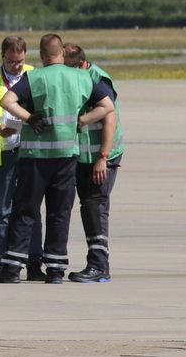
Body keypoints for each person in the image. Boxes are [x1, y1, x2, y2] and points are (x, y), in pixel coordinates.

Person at [0, 34, 114, 284]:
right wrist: (82, 120)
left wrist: (29, 118)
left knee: (25, 210)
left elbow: (7, 101)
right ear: (61, 53)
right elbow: (107, 106)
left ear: (42, 55)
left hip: (35, 156)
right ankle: (56, 269)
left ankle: (13, 267)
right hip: (67, 156)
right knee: (60, 212)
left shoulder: (34, 77)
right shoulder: (81, 77)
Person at [0, 36, 45, 280]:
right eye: (12, 62)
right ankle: (5, 263)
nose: (17, 66)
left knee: (31, 209)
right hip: (1, 152)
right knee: (4, 210)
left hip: (29, 152)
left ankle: (35, 262)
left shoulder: (34, 75)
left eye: (21, 61)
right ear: (3, 56)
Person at [64, 42, 122, 283]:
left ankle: (99, 265)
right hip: (84, 155)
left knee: (95, 206)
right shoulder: (78, 77)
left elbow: (109, 119)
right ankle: (98, 263)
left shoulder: (98, 79)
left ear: (79, 64)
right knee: (88, 207)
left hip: (101, 155)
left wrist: (103, 158)